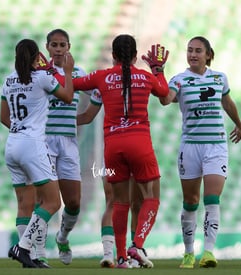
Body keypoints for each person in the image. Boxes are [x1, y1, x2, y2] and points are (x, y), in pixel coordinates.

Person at [55, 35, 169, 268]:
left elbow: (71, 85)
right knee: (152, 197)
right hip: (140, 144)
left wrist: (63, 70)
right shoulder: (145, 76)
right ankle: (136, 246)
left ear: (113, 56)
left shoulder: (102, 77)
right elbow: (164, 92)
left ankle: (120, 257)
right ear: (136, 56)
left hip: (114, 146)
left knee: (119, 202)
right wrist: (158, 69)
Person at [161, 36, 241, 268]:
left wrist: (238, 123)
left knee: (212, 199)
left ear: (208, 54)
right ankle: (188, 252)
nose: (193, 54)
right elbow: (166, 100)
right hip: (190, 146)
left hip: (215, 145)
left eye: (198, 50)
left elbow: (227, 102)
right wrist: (158, 73)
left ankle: (208, 252)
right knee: (190, 201)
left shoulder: (219, 78)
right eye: (189, 50)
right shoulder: (179, 79)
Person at [0, 38, 74, 268]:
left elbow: (4, 118)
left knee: (24, 203)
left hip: (12, 143)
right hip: (32, 144)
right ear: (36, 57)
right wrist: (69, 72)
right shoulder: (42, 77)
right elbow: (68, 96)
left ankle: (29, 258)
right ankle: (22, 248)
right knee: (53, 202)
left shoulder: (8, 80)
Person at [33, 29, 92, 265]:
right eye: (54, 45)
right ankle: (38, 250)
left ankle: (63, 237)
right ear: (47, 47)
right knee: (44, 200)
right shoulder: (38, 73)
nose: (58, 49)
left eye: (62, 45)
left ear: (69, 47)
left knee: (74, 202)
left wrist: (86, 117)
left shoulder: (78, 73)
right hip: (44, 140)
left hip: (68, 141)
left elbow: (98, 92)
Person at [77, 93, 148, 268]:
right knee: (130, 203)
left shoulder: (105, 82)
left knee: (118, 202)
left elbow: (88, 115)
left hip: (113, 146)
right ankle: (128, 253)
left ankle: (113, 254)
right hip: (131, 146)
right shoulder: (140, 80)